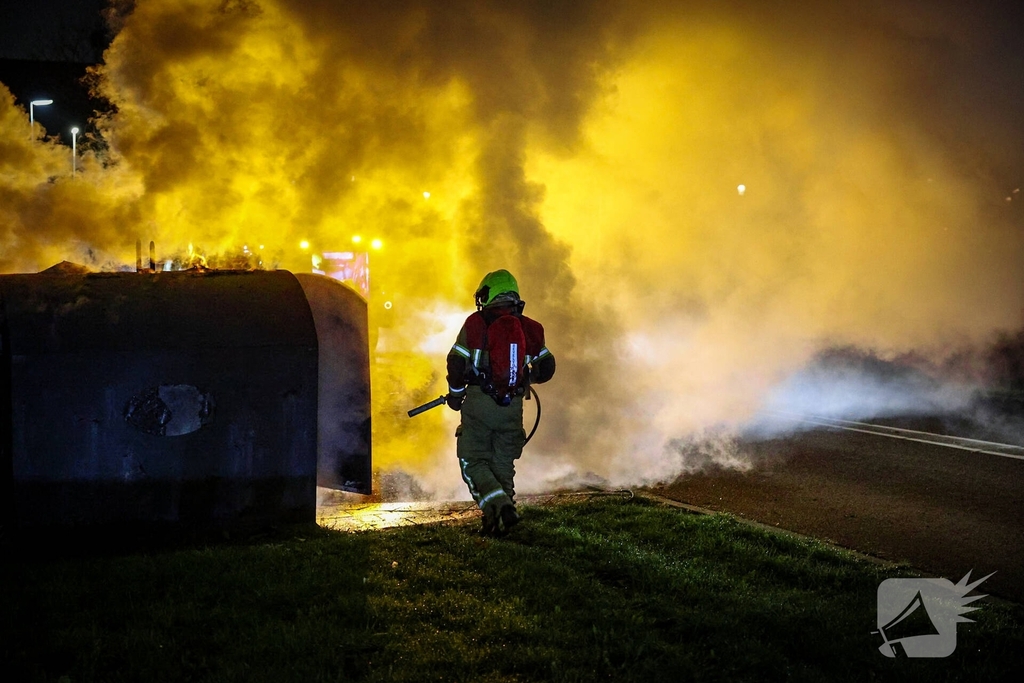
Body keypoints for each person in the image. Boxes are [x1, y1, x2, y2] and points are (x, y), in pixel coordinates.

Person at [445, 269, 556, 536]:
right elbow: (547, 367)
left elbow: (456, 362)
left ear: (488, 294)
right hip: (512, 408)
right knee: (503, 464)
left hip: (479, 405)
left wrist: (456, 395)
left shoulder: (474, 324)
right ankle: (501, 521)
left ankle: (499, 506)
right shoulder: (531, 328)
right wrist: (525, 378)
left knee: (473, 462)